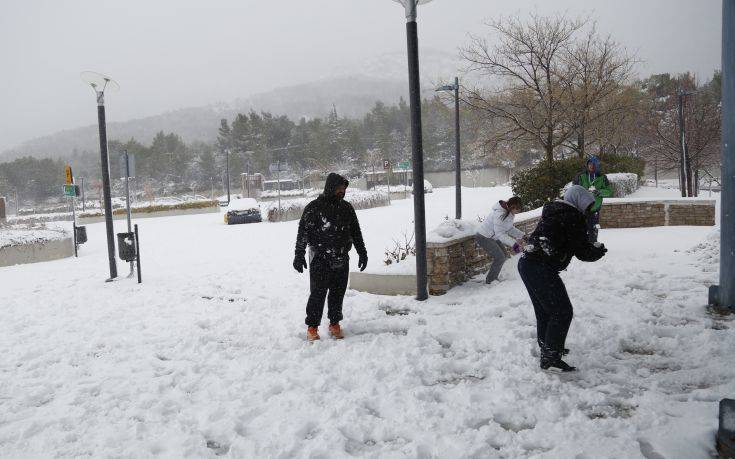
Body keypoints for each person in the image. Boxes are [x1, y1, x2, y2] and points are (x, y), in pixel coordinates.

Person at [518, 185, 607, 372]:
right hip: (539, 267)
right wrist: (598, 251)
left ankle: (549, 347)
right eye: (587, 205)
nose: (588, 209)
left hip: (528, 264)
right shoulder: (571, 217)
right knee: (562, 311)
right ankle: (550, 356)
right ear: (579, 201)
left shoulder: (556, 211)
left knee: (546, 311)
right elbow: (582, 251)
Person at [293, 172, 368, 341]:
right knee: (317, 294)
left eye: (344, 188)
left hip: (342, 258)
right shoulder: (314, 208)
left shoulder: (347, 208)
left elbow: (356, 232)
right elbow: (303, 232)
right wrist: (299, 254)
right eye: (339, 188)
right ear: (331, 187)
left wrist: (362, 252)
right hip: (320, 258)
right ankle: (312, 327)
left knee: (337, 293)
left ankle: (334, 323)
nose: (342, 191)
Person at [475, 196, 525, 284]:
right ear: (512, 206)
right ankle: (490, 281)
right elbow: (500, 234)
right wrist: (515, 244)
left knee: (505, 255)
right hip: (484, 236)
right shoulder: (500, 214)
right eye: (517, 209)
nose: (518, 212)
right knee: (500, 257)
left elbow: (509, 228)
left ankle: (493, 278)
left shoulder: (509, 213)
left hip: (493, 236)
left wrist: (522, 236)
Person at [572, 155, 612, 242]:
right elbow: (574, 190)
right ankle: (582, 246)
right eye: (589, 164)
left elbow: (609, 191)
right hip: (582, 207)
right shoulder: (580, 176)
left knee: (593, 229)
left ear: (597, 165)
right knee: (581, 228)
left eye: (593, 164)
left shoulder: (602, 177)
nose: (591, 166)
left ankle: (593, 246)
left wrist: (599, 192)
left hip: (594, 207)